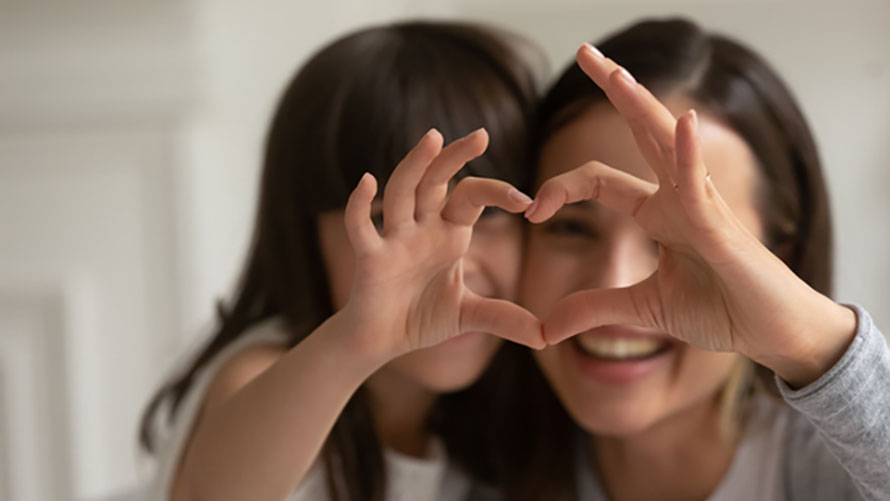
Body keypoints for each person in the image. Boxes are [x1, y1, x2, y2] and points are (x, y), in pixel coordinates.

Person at [138, 21, 546, 501]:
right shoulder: (266, 372)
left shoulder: (483, 415)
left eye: (489, 213)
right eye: (390, 219)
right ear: (305, 235)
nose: (449, 265)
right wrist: (356, 341)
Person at [494, 18, 890, 500]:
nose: (614, 282)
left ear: (780, 256)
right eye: (571, 227)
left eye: (684, 241)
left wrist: (816, 348)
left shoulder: (830, 475)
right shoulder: (469, 471)